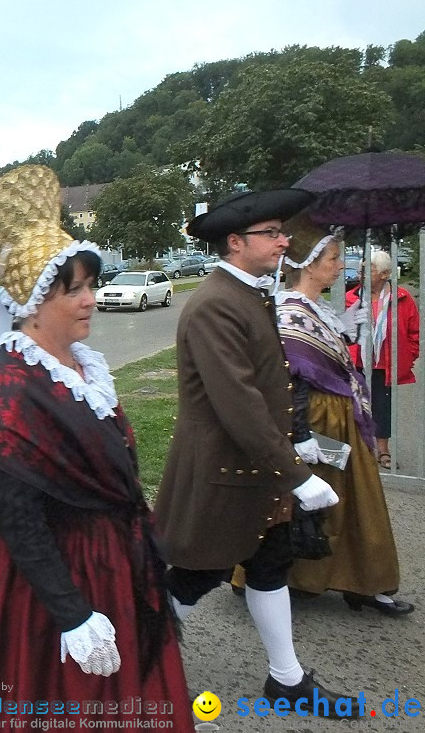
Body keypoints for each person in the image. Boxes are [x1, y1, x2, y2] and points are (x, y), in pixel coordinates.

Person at [0, 165, 192, 731]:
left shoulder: (83, 367)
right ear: (34, 299)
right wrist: (71, 613)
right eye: (75, 290)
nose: (91, 300)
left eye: (91, 287)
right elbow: (18, 517)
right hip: (48, 580)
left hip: (110, 561)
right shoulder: (9, 388)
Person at [156, 188, 359, 717]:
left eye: (281, 232)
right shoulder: (214, 302)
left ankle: (286, 680)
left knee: (270, 563)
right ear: (235, 242)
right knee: (196, 573)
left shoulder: (252, 292)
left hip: (255, 466)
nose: (282, 241)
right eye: (271, 234)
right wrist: (296, 474)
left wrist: (294, 443)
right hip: (225, 468)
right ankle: (138, 658)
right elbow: (238, 403)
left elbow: (271, 386)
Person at [230, 216, 412, 616]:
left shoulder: (318, 310)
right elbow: (287, 377)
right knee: (305, 506)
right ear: (310, 264)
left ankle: (365, 582)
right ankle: (270, 578)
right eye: (333, 257)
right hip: (316, 421)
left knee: (353, 503)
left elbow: (329, 358)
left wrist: (349, 332)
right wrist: (300, 436)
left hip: (341, 417)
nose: (340, 264)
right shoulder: (289, 311)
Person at [346, 249, 420, 470]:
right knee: (355, 405)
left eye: (369, 269)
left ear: (385, 274)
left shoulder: (402, 298)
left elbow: (413, 332)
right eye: (361, 269)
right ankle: (359, 449)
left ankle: (383, 450)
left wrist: (409, 355)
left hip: (384, 364)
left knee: (382, 406)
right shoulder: (351, 297)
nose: (362, 273)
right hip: (358, 362)